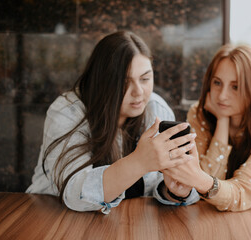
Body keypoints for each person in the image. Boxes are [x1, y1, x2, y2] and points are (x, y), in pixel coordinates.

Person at [26, 31, 199, 214]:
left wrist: (174, 191)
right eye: (125, 82)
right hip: (51, 216)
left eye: (145, 79)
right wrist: (139, 162)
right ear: (103, 81)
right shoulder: (67, 112)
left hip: (132, 222)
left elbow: (161, 184)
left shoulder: (157, 110)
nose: (139, 92)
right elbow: (74, 193)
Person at [163, 44, 251, 211]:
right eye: (217, 83)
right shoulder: (200, 113)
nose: (223, 96)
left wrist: (198, 179)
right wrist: (222, 121)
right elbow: (201, 190)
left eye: (235, 87)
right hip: (215, 217)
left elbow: (242, 192)